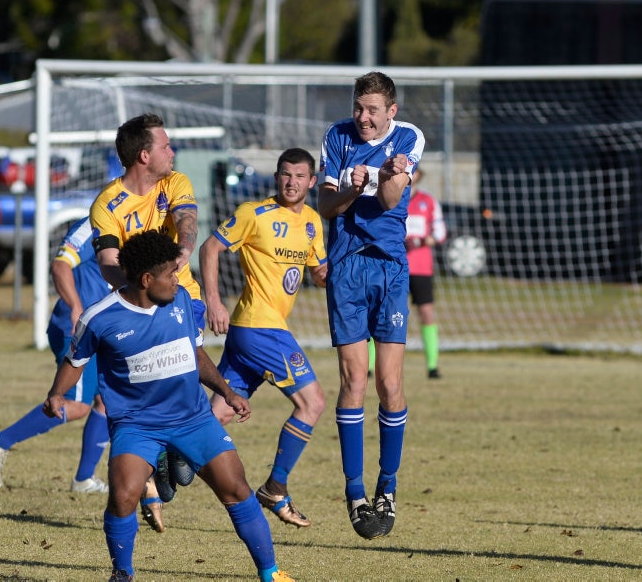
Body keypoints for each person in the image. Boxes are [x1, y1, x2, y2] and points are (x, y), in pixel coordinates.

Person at [43, 230, 293, 582]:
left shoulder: (182, 303)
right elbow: (75, 359)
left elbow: (194, 352)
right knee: (123, 495)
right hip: (137, 424)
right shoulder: (100, 317)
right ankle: (123, 574)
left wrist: (228, 391)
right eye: (170, 274)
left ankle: (271, 573)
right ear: (146, 279)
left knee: (236, 488)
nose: (178, 280)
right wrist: (56, 394)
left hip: (193, 419)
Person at [317, 71, 424, 539]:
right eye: (359, 107)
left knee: (390, 381)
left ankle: (388, 488)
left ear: (391, 112)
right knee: (353, 379)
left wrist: (382, 178)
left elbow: (391, 198)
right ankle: (356, 492)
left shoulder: (408, 138)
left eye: (373, 110)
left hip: (390, 268)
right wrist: (349, 189)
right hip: (346, 268)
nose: (363, 117)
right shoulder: (336, 136)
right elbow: (326, 206)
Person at [199, 147, 328, 529]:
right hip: (260, 327)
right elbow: (210, 247)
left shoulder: (312, 223)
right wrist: (213, 301)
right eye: (286, 174)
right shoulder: (253, 214)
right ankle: (275, 487)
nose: (292, 182)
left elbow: (319, 271)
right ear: (276, 177)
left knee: (216, 415)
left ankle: (158, 470)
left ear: (312, 182)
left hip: (252, 334)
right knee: (313, 403)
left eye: (300, 176)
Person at [90, 112, 203, 533]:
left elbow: (188, 224)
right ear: (144, 154)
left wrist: (176, 261)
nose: (172, 151)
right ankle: (157, 455)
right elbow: (107, 262)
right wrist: (140, 294)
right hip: (135, 306)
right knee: (147, 385)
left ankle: (174, 447)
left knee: (186, 371)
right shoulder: (106, 205)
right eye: (165, 145)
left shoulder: (175, 182)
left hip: (181, 297)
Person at [0, 216, 111, 493]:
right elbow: (60, 266)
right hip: (74, 329)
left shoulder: (134, 222)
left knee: (107, 401)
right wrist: (75, 305)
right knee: (75, 405)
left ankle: (84, 479)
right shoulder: (94, 225)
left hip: (100, 330)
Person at [368, 166, 447, 379]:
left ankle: (432, 365)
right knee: (382, 313)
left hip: (420, 268)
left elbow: (440, 233)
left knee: (426, 313)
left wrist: (420, 241)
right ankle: (371, 366)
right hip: (392, 265)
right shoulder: (387, 199)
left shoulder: (428, 202)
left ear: (418, 175)